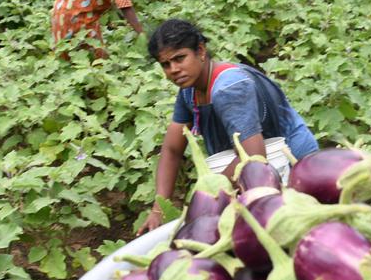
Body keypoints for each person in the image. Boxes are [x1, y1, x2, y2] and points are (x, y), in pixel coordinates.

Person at [136, 19, 319, 234]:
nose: (173, 70)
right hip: (253, 167)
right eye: (165, 64)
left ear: (201, 51)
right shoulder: (189, 90)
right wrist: (159, 210)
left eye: (179, 58)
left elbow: (253, 157)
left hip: (291, 166)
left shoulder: (229, 88)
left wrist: (208, 196)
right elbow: (172, 149)